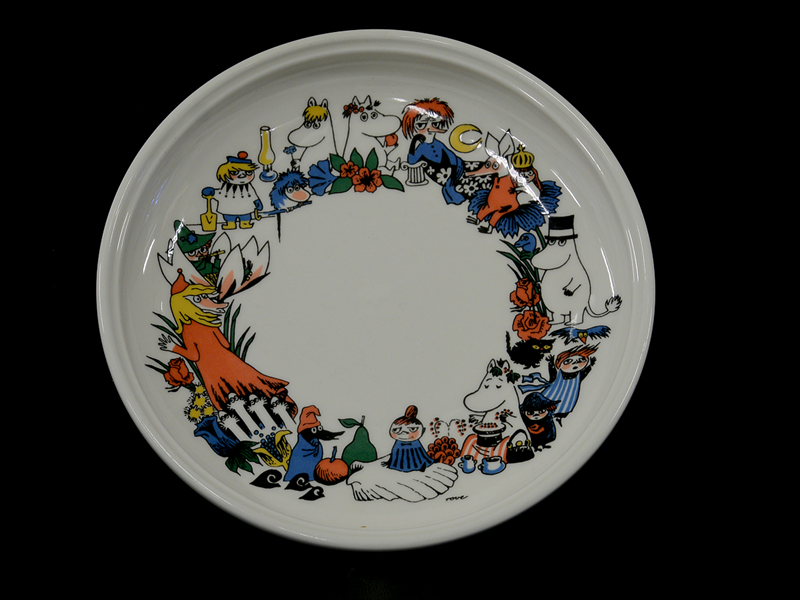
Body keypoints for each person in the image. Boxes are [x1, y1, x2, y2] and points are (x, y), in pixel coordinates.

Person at [386, 405, 435, 472]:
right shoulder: (398, 443)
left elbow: (421, 454)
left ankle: (419, 466)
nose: (404, 433)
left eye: (412, 429)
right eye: (396, 430)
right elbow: (395, 454)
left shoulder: (416, 443)